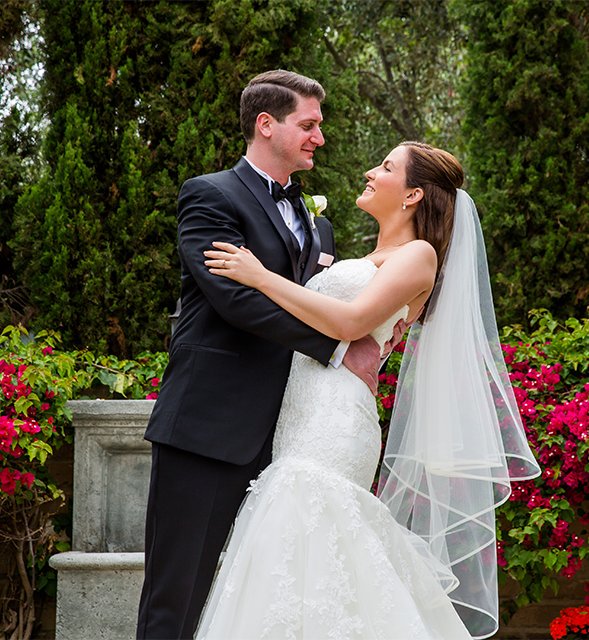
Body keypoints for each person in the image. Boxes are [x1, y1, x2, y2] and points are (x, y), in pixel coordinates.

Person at [199, 142, 541, 639]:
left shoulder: (418, 256)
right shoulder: (371, 257)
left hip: (334, 420)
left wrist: (260, 276)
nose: (370, 172)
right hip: (300, 414)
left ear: (413, 195)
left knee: (313, 528)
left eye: (385, 167)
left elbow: (352, 320)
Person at [136, 70, 388, 640]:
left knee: (258, 599)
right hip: (208, 426)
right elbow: (233, 301)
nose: (319, 137)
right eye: (309, 124)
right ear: (266, 125)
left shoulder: (318, 223)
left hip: (289, 437)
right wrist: (335, 348)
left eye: (320, 125)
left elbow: (309, 299)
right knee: (176, 598)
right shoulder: (210, 195)